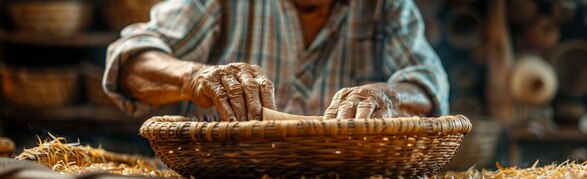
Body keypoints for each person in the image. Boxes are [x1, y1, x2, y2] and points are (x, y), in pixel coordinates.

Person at [104, 0, 449, 121]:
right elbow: (130, 57)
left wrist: (388, 95)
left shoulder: (386, 5)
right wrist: (194, 76)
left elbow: (428, 83)